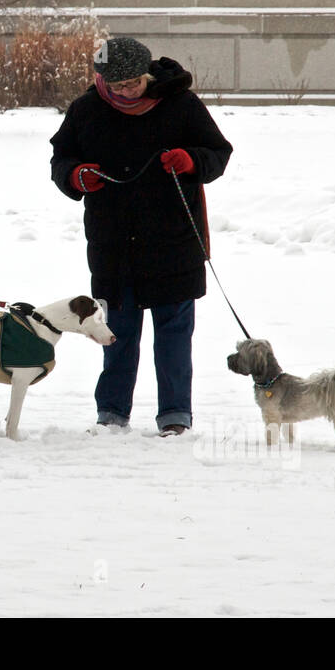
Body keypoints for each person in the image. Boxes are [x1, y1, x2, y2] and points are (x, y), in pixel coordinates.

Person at [49, 36, 232, 435]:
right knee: (116, 334)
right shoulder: (87, 109)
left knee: (173, 337)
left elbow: (218, 152)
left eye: (133, 83)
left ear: (147, 74)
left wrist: (191, 161)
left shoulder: (181, 104)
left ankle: (175, 416)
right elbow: (61, 158)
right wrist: (76, 175)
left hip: (174, 241)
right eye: (117, 86)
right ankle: (112, 414)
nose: (126, 92)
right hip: (113, 244)